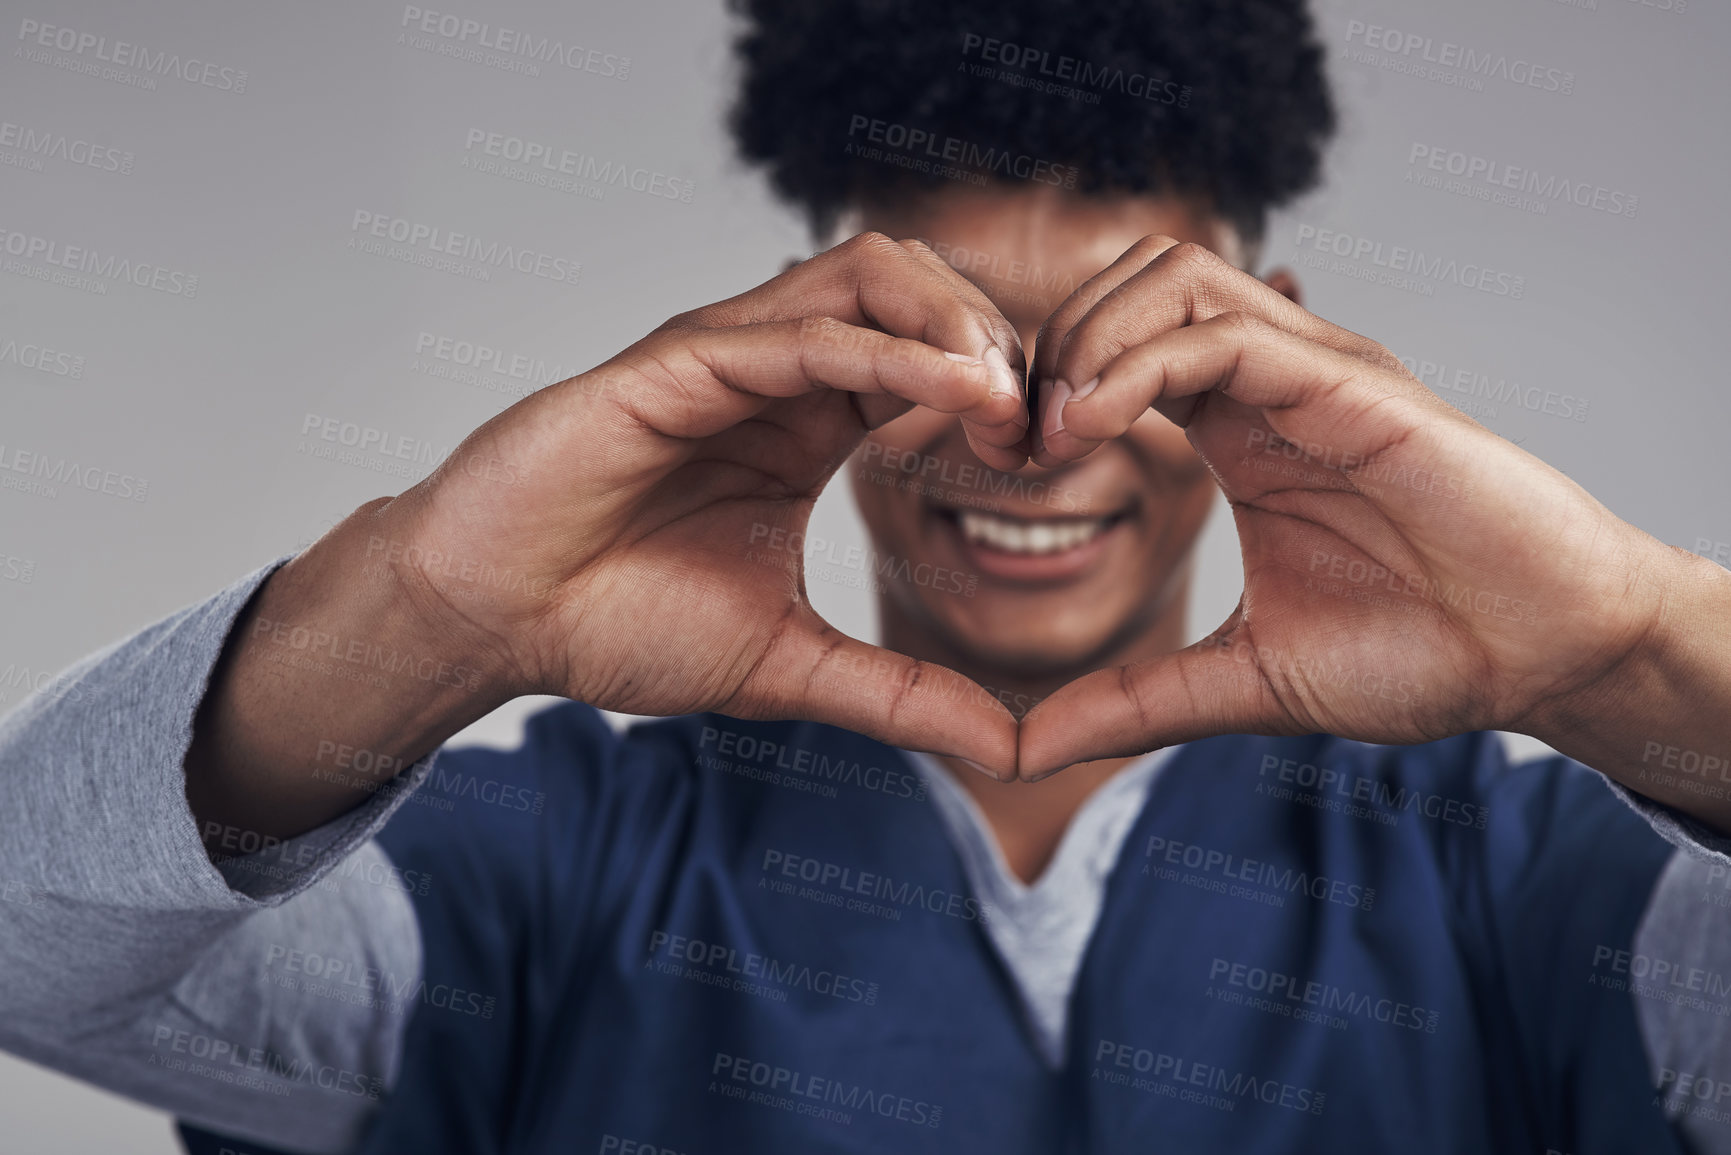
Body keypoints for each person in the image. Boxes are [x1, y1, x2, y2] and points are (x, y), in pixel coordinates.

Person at [3, 0, 1729, 1152]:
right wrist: (428, 605)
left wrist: (1641, 650)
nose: (1041, 441)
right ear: (821, 332)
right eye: (969, 345)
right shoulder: (548, 872)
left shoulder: (1519, 886)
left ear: (1282, 347)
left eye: (1148, 346)